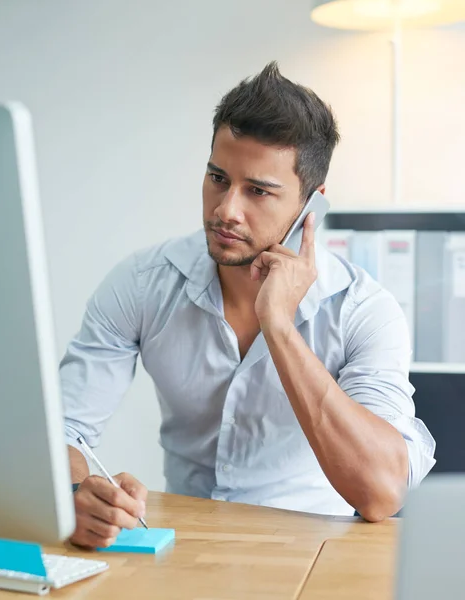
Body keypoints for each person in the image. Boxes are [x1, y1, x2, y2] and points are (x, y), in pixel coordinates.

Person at [63, 62, 436, 549]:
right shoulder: (142, 284)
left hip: (316, 554)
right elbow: (65, 429)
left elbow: (380, 493)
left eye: (258, 191)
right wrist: (75, 494)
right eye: (218, 178)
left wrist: (278, 325)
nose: (226, 210)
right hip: (184, 547)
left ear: (311, 206)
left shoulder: (363, 311)